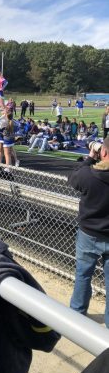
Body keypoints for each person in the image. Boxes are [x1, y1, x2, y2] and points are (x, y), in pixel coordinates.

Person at [68, 137, 109, 328]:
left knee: (83, 275)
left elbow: (74, 177)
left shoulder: (89, 175)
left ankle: (77, 313)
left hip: (89, 233)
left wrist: (90, 157)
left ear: (104, 152)